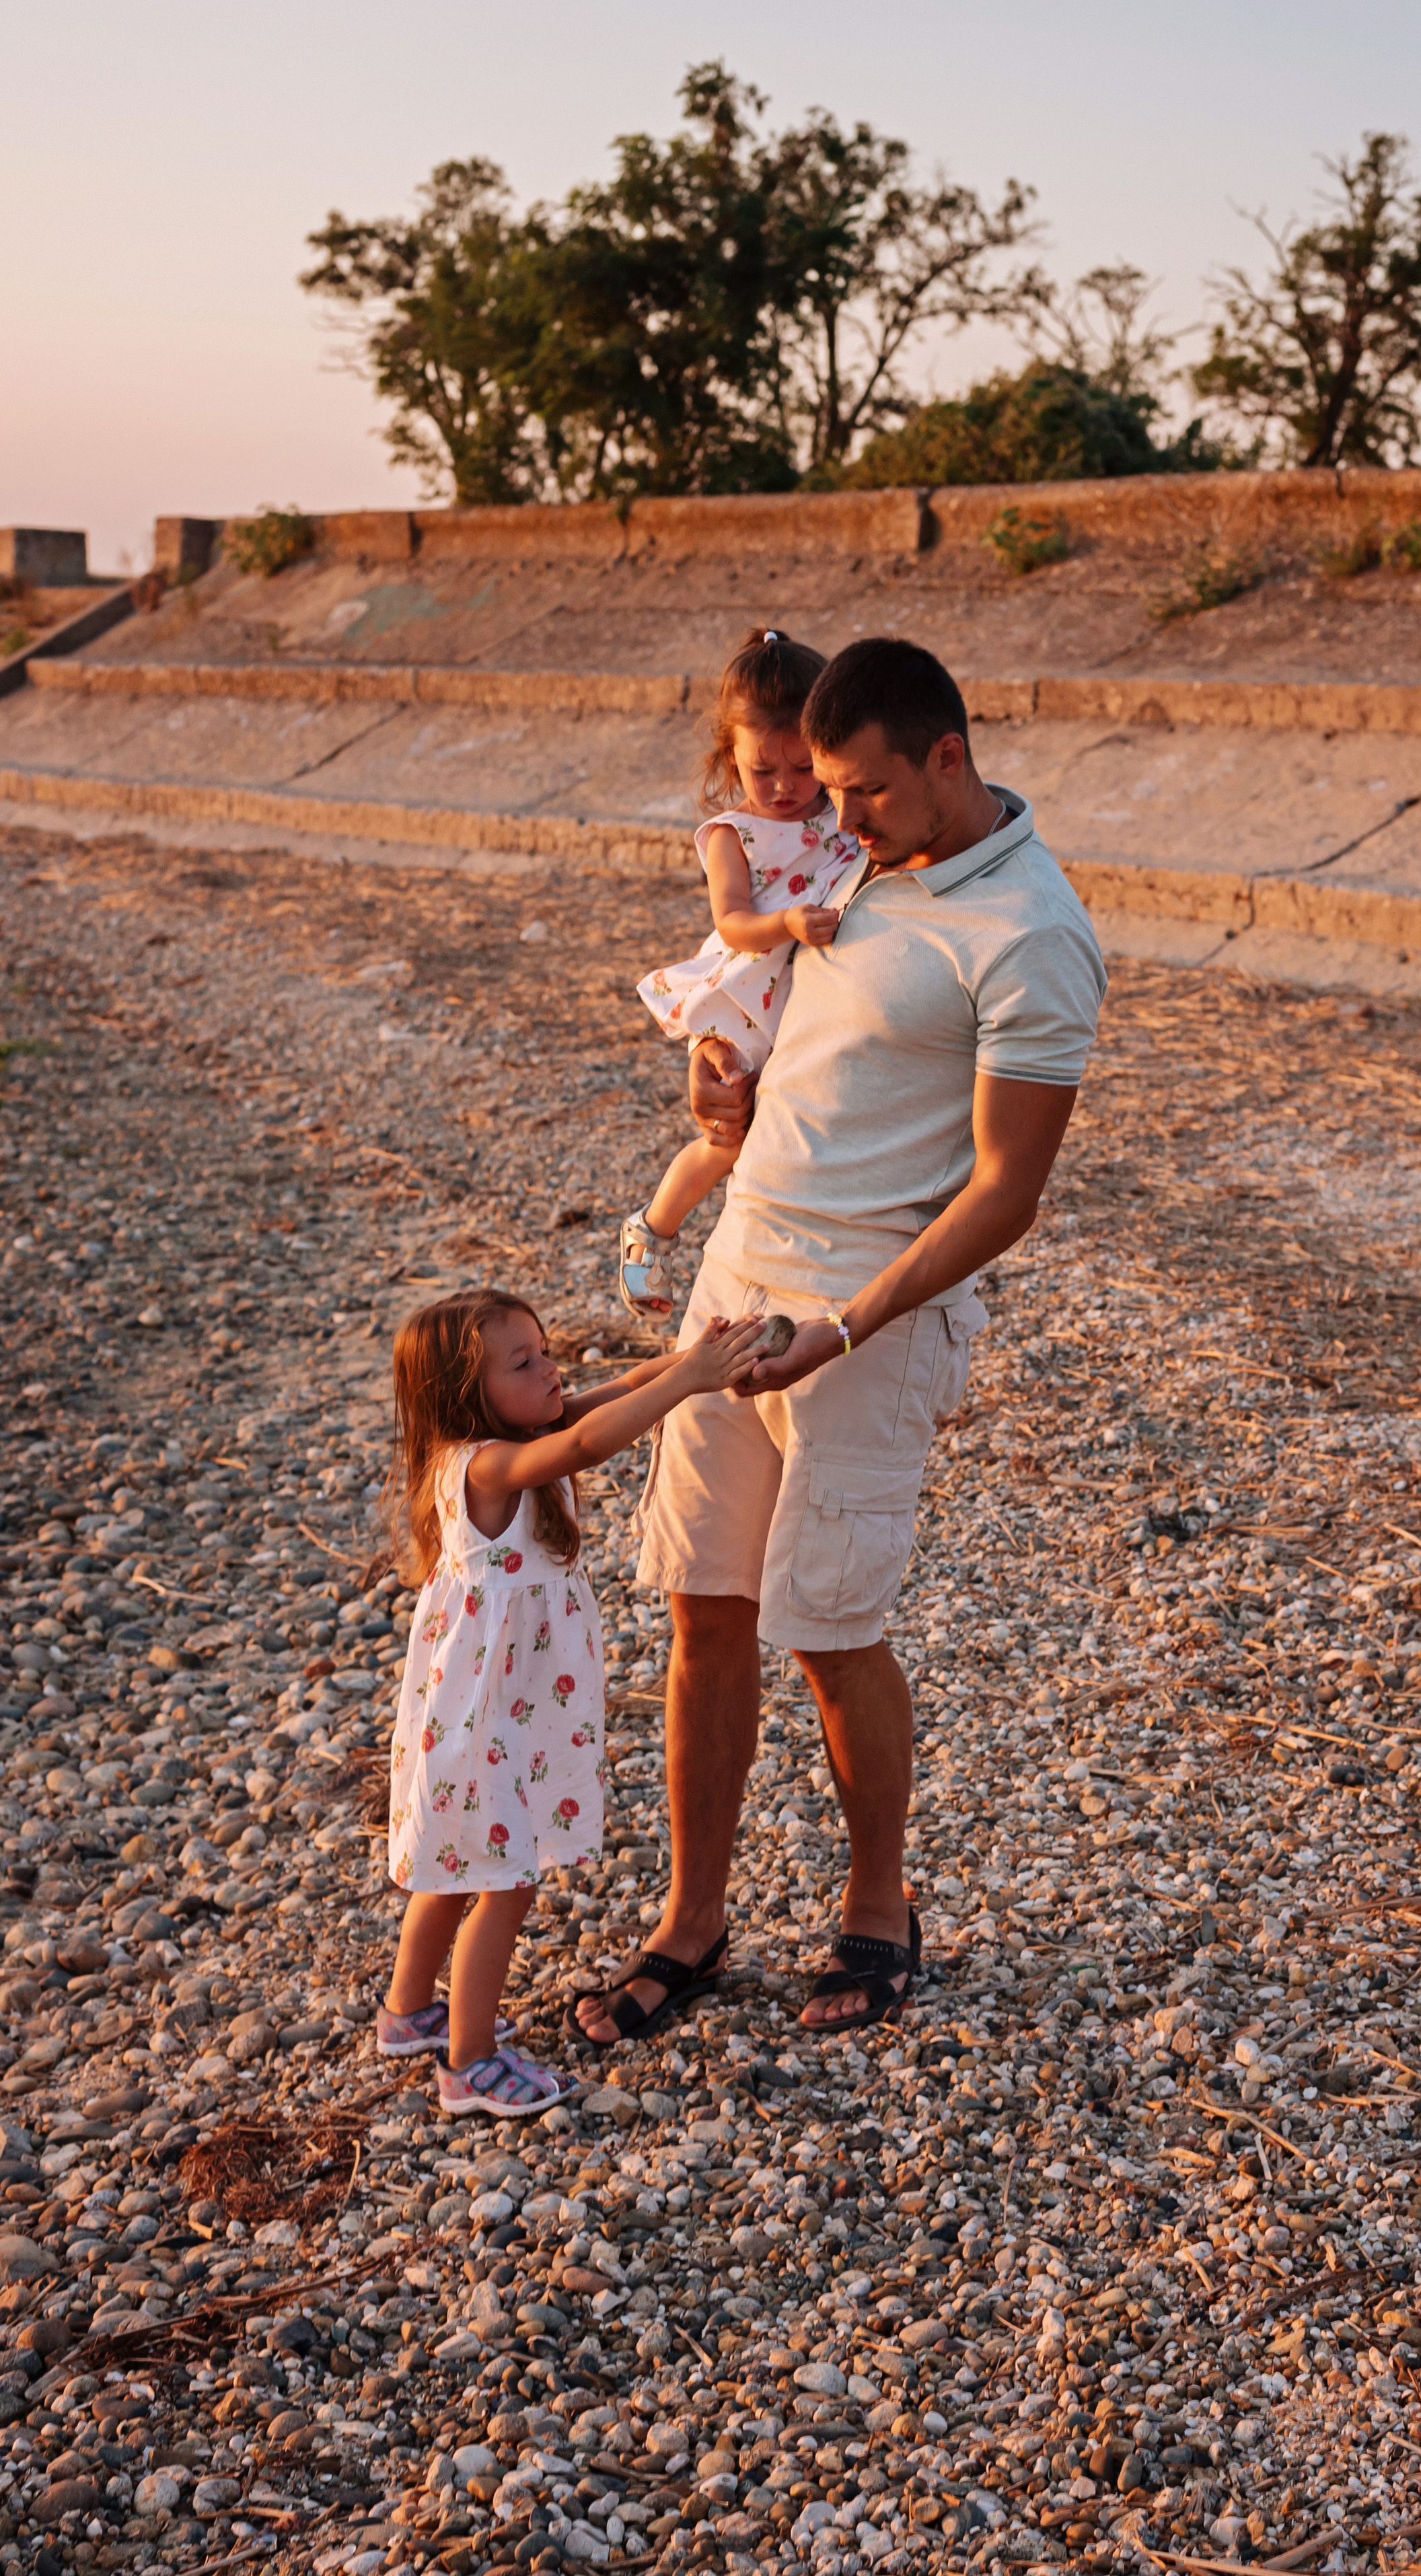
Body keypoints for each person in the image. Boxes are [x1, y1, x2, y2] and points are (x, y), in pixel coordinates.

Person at [573, 637, 1105, 2051]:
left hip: (866, 1320)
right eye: (825, 789)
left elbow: (1007, 1192)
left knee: (826, 1627)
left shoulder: (1032, 932)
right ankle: (692, 1919)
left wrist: (845, 1325)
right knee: (703, 1610)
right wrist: (720, 1083)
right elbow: (801, 1034)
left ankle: (880, 1907)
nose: (837, 817)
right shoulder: (854, 863)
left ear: (948, 757)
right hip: (736, 1274)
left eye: (865, 790)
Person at [375, 1284, 763, 2114]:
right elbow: (589, 1442)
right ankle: (469, 2063)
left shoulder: (525, 1433)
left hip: (492, 1707)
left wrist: (699, 1358)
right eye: (524, 1363)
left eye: (546, 1350)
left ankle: (407, 2011)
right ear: (464, 1395)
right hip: (485, 1713)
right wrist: (692, 1380)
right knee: (502, 1879)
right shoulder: (485, 1465)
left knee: (455, 1862)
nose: (551, 1370)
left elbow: (620, 1390)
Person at [620, 627, 857, 1319]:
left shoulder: (842, 814)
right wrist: (787, 923)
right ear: (731, 758)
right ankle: (651, 1230)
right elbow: (730, 921)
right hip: (750, 992)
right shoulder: (732, 835)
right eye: (763, 770)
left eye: (803, 767)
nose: (785, 787)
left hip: (801, 1000)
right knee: (728, 1140)